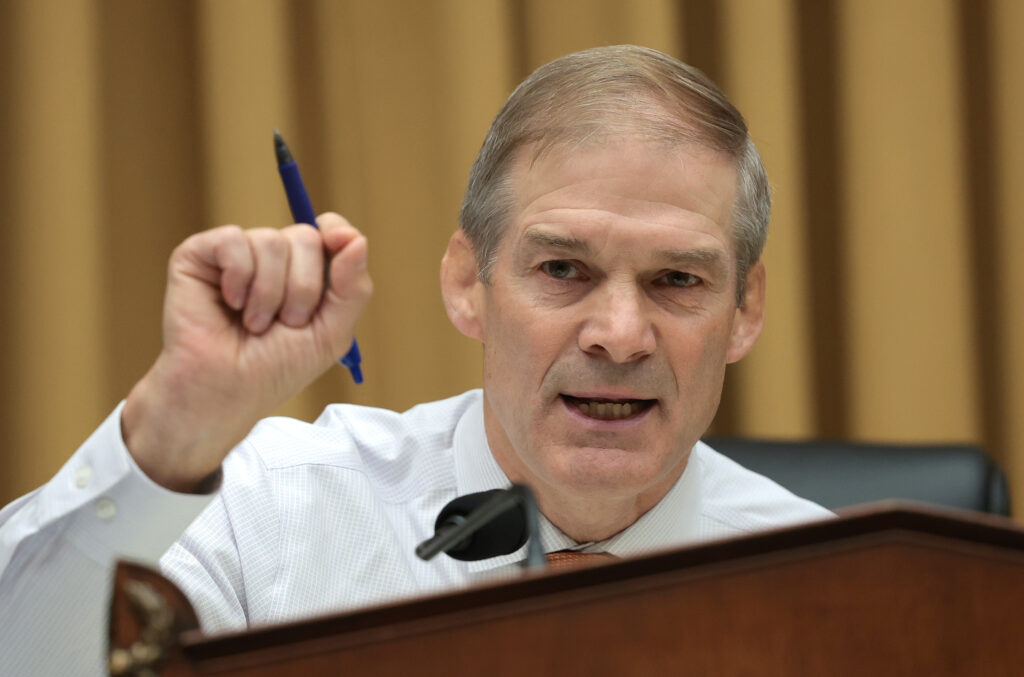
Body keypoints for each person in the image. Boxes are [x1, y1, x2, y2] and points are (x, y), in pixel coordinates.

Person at [0, 45, 831, 675]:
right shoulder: (276, 508)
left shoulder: (843, 585)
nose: (619, 334)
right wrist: (171, 432)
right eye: (562, 269)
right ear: (469, 283)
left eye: (676, 279)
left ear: (744, 310)